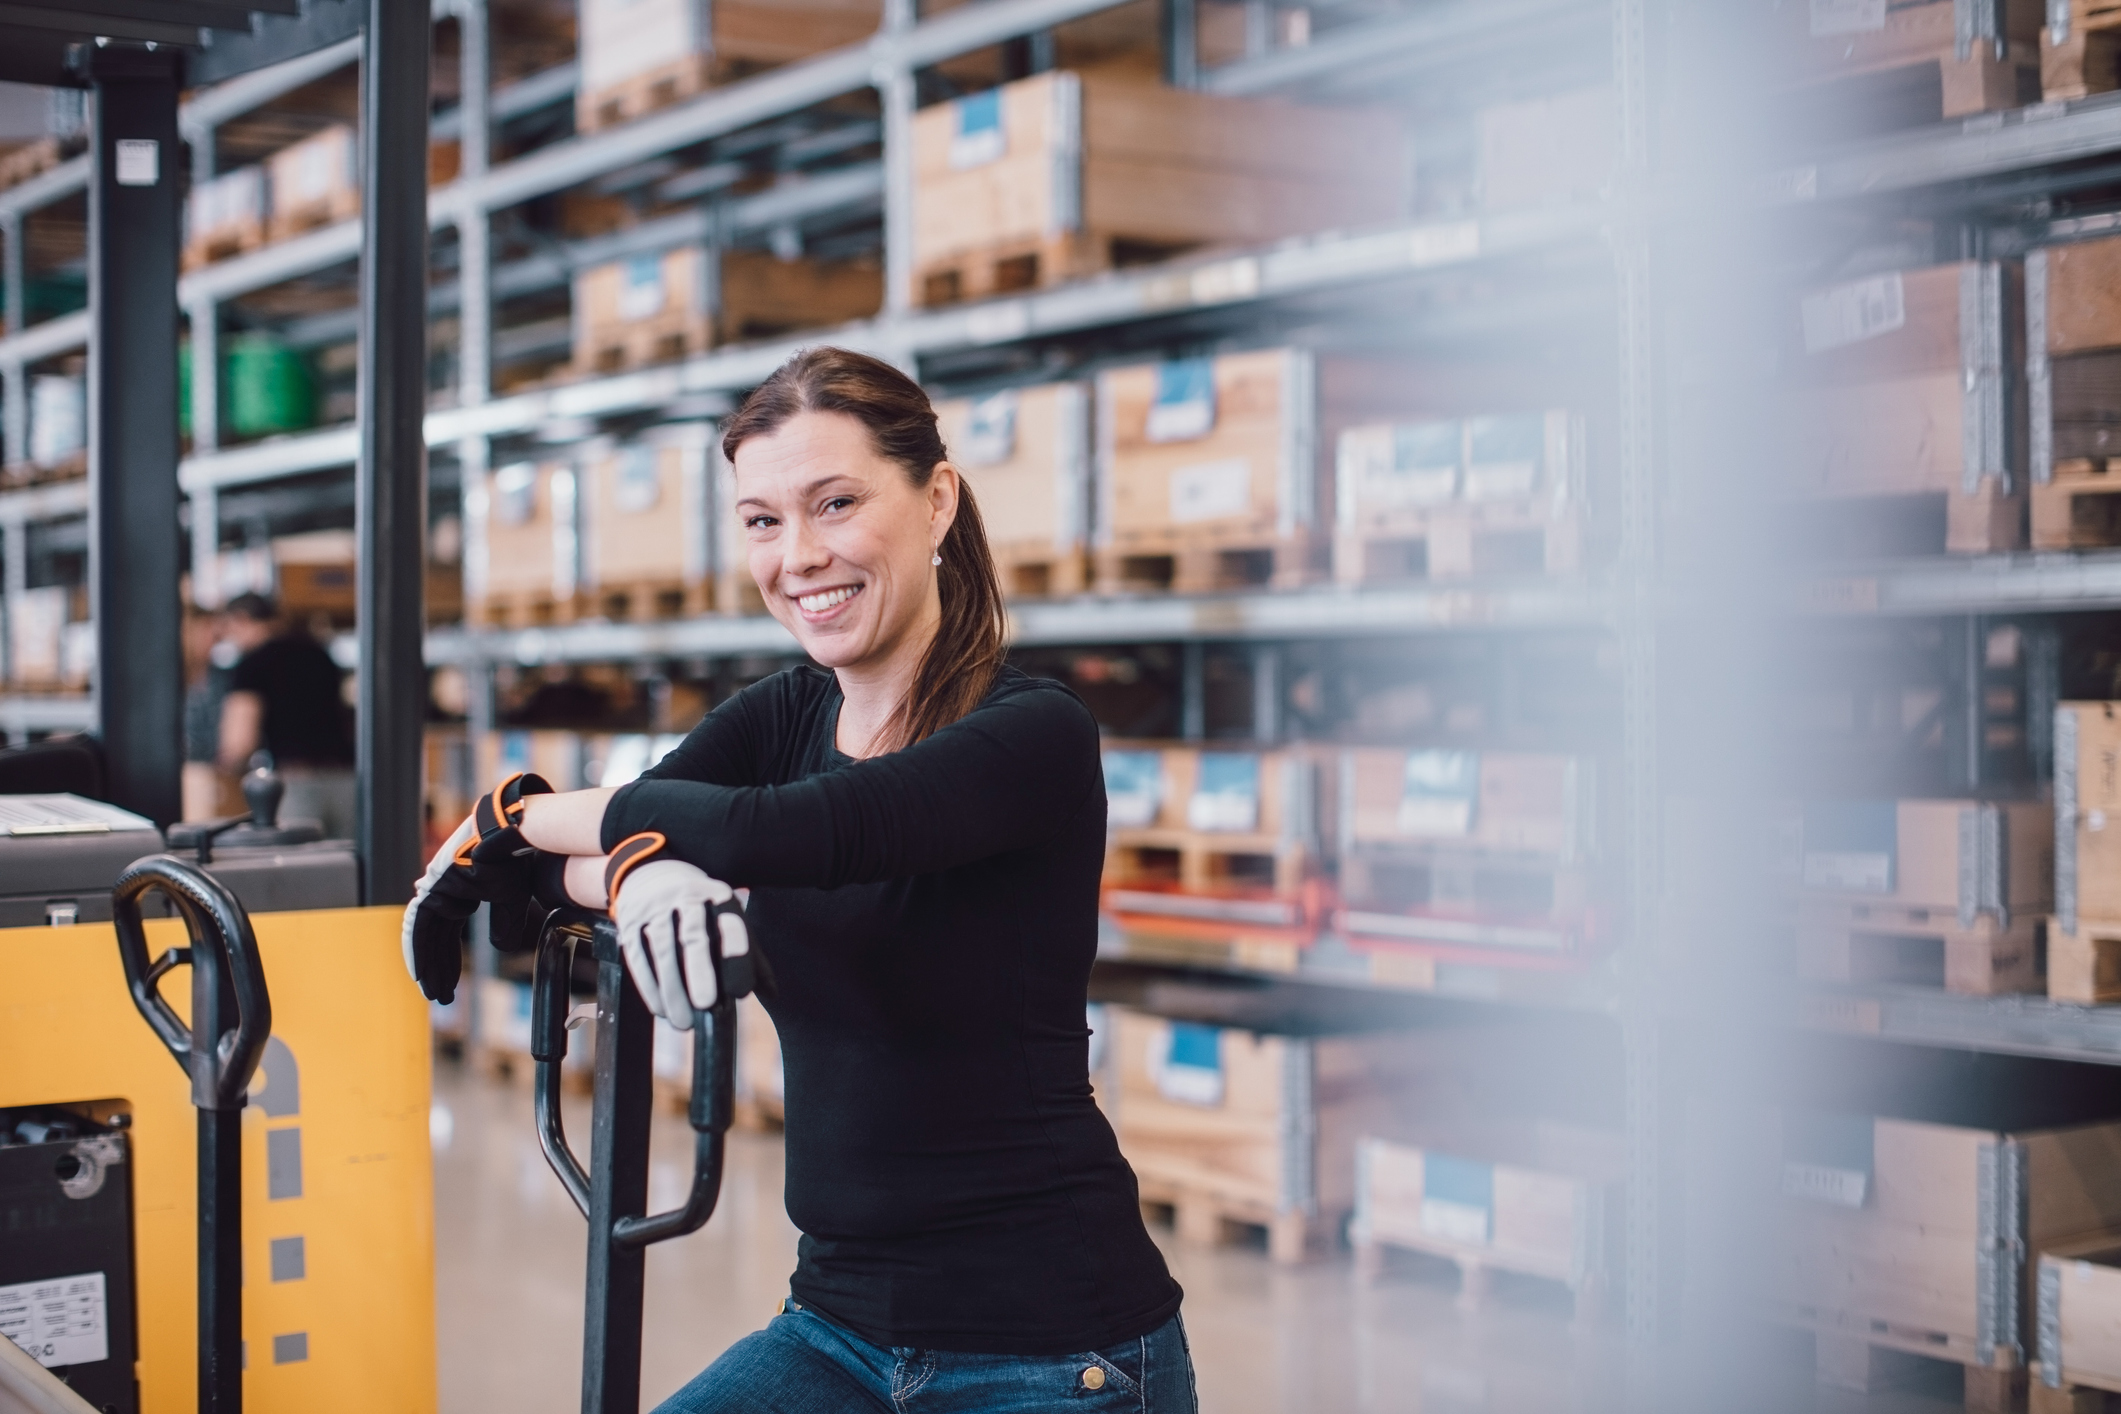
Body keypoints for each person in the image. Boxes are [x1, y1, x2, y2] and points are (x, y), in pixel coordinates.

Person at [404, 347, 1196, 1412]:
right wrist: (637, 876)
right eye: (764, 521)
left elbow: (799, 831)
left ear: (937, 501)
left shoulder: (1034, 734)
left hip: (1056, 1350)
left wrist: (512, 810)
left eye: (835, 503)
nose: (800, 555)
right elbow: (570, 864)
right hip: (836, 1324)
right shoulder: (785, 713)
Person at [216, 592, 356, 839]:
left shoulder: (252, 664)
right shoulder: (320, 653)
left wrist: (222, 768)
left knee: (300, 870)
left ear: (241, 619)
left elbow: (239, 742)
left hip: (296, 785)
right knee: (347, 868)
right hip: (348, 781)